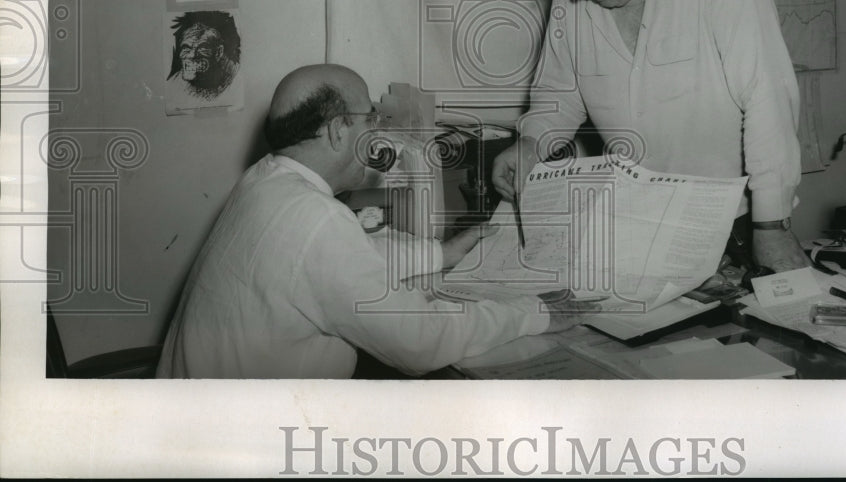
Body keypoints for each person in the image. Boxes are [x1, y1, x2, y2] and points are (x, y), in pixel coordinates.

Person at [157, 63, 595, 379]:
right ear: (336, 132)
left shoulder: (265, 181)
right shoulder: (315, 219)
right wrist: (534, 312)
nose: (378, 131)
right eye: (370, 118)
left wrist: (439, 253)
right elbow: (421, 344)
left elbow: (343, 261)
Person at [492, 0, 810, 273]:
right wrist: (532, 143)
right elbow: (560, 92)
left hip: (732, 225)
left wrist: (772, 226)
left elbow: (767, 99)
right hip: (637, 223)